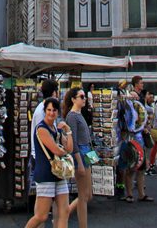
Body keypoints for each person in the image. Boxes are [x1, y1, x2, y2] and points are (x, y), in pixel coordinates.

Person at [24, 97, 73, 228]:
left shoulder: (55, 128)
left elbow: (69, 148)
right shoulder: (41, 128)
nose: (51, 113)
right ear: (45, 111)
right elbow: (56, 150)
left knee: (65, 211)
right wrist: (65, 152)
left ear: (58, 112)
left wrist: (68, 131)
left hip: (58, 173)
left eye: (54, 110)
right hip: (46, 174)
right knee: (41, 216)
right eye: (49, 110)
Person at [63, 87, 92, 228]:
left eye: (84, 96)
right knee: (83, 195)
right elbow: (73, 142)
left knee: (88, 194)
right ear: (73, 99)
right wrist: (79, 163)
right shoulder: (72, 116)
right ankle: (82, 225)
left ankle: (66, 212)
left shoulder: (79, 114)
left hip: (87, 152)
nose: (84, 98)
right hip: (80, 153)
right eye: (81, 96)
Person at [31, 79, 59, 161]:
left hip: (47, 155)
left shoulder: (45, 109)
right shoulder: (41, 111)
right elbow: (43, 135)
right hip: (41, 157)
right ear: (54, 93)